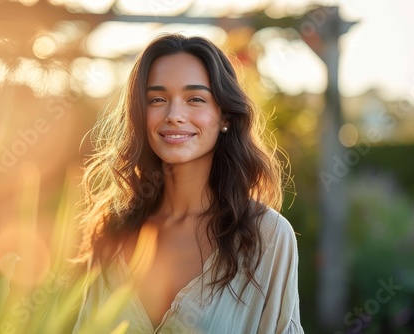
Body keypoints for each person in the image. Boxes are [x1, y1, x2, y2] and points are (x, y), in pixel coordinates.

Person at [73, 33, 304, 334]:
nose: (174, 115)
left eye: (195, 99)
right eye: (157, 99)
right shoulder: (111, 230)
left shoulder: (268, 237)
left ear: (224, 117)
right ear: (140, 115)